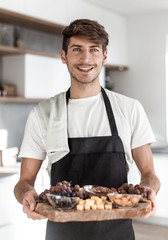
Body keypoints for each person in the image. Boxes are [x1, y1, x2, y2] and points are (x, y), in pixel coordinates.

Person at [14, 19, 160, 240]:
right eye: (77, 49)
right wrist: (27, 194)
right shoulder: (43, 113)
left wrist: (148, 189)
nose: (86, 59)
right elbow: (24, 182)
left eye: (93, 50)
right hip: (62, 234)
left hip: (117, 234)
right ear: (63, 56)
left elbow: (149, 175)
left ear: (104, 56)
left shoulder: (129, 109)